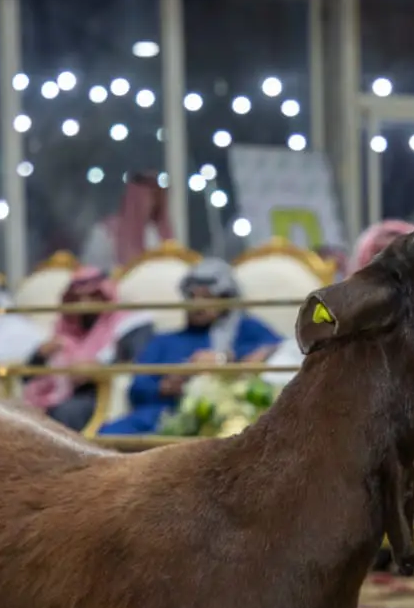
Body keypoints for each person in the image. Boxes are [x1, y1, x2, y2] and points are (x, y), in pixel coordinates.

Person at [98, 258, 280, 435]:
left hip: (221, 421)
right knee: (107, 436)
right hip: (160, 417)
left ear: (227, 300)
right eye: (192, 296)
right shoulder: (164, 341)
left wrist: (222, 361)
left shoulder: (244, 329)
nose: (197, 304)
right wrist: (166, 386)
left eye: (207, 297)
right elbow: (136, 389)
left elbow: (283, 348)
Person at [22, 265, 154, 431]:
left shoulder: (129, 324)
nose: (85, 304)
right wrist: (40, 355)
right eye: (77, 298)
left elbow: (140, 362)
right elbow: (26, 376)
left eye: (93, 296)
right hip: (61, 397)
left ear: (106, 296)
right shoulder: (65, 330)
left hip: (104, 396)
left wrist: (97, 371)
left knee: (67, 412)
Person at [80, 171, 172, 271]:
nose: (151, 203)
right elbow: (90, 271)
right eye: (147, 196)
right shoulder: (105, 232)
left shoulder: (156, 234)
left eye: (154, 197)